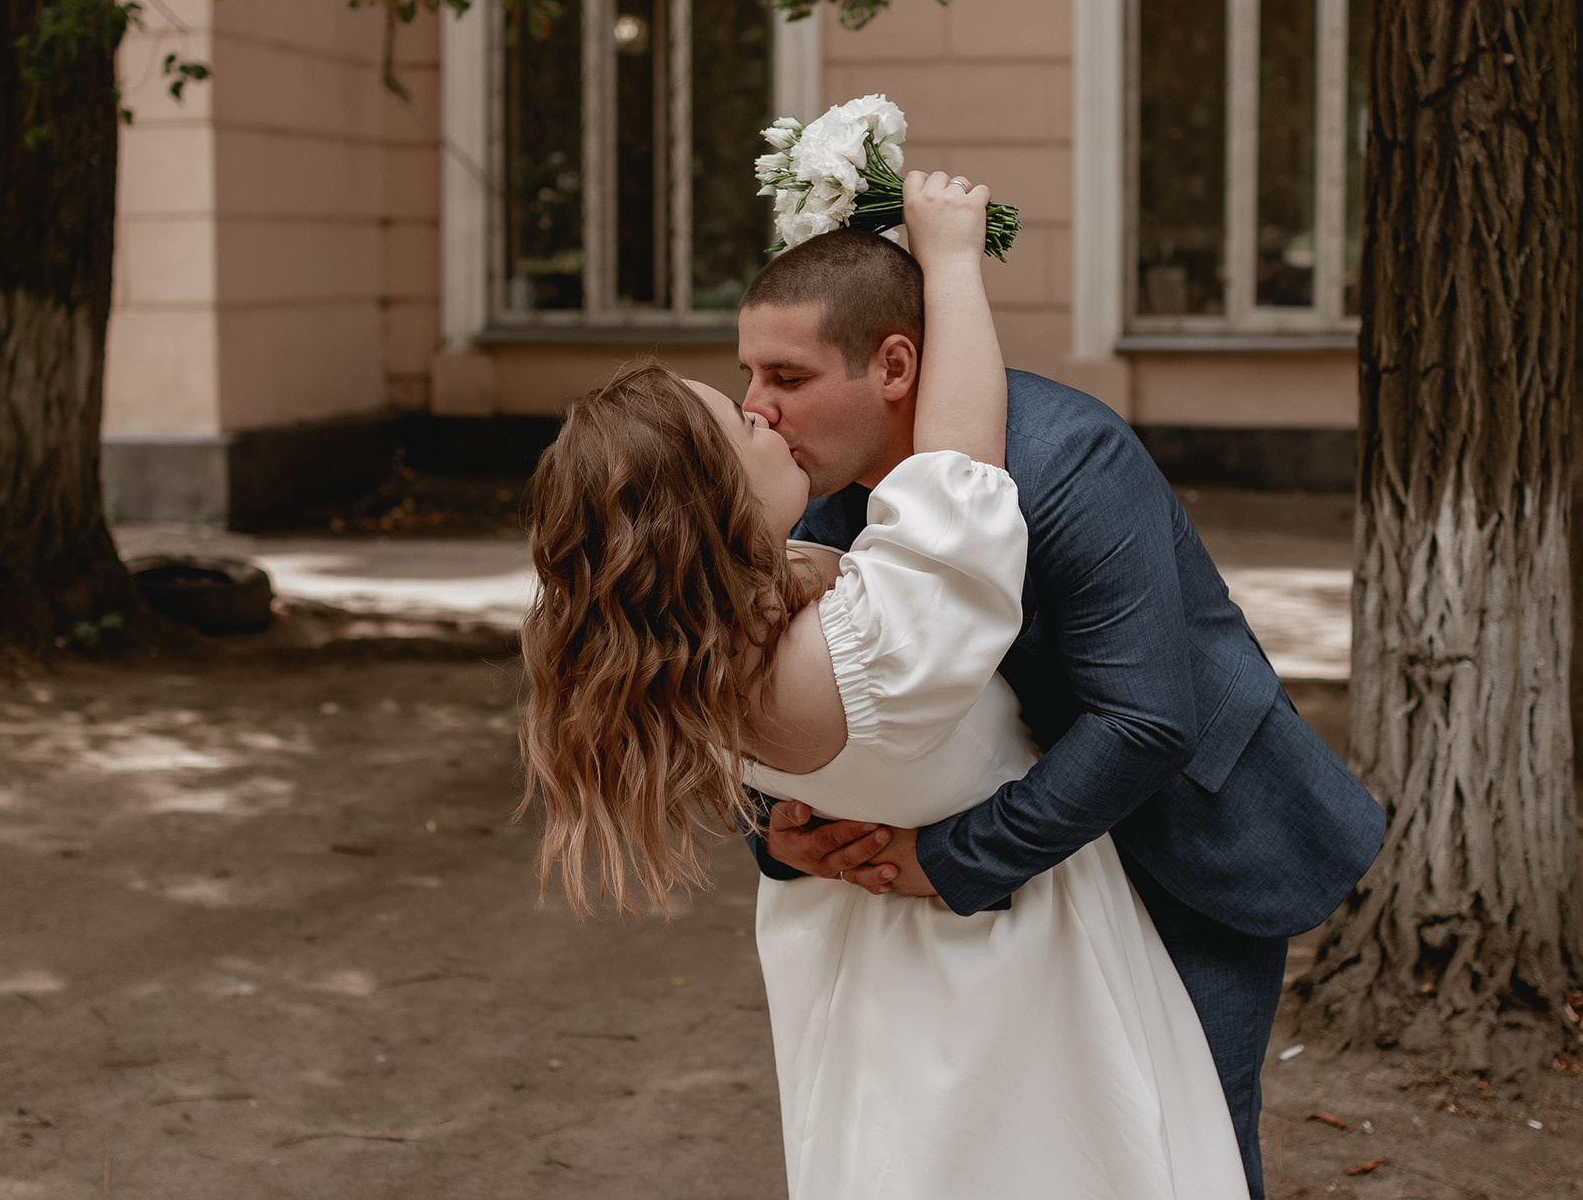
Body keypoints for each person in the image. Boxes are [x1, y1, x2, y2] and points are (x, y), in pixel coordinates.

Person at [520, 171, 1249, 1198]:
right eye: (740, 414)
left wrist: (775, 823)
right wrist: (950, 258)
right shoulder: (870, 635)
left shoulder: (700, 642)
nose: (764, 414)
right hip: (1010, 957)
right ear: (712, 509)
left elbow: (1144, 714)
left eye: (771, 387)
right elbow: (957, 483)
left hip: (900, 956)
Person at [734, 230, 1389, 1199]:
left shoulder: (1067, 454)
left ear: (894, 367)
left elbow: (1145, 721)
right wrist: (773, 832)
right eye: (745, 372)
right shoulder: (812, 492)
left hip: (1180, 835)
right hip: (1029, 881)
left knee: (1189, 1134)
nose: (755, 406)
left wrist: (949, 858)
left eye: (785, 373)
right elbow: (770, 686)